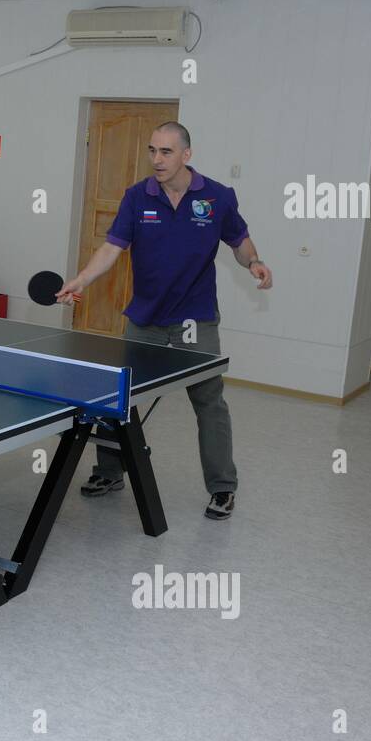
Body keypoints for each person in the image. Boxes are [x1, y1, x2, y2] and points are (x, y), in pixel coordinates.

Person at [57, 122, 272, 520]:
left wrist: (254, 263)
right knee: (118, 397)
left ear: (187, 155)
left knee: (209, 401)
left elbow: (240, 240)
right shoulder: (138, 197)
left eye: (166, 152)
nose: (157, 159)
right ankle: (110, 471)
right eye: (152, 151)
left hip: (196, 316)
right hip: (146, 316)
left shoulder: (217, 198)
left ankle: (223, 487)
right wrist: (82, 278)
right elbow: (112, 248)